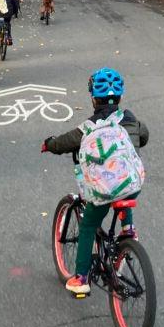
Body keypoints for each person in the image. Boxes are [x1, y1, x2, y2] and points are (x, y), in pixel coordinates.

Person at [42, 68, 149, 294]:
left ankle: (81, 278)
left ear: (93, 98)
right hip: (132, 184)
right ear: (120, 96)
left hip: (104, 191)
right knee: (124, 188)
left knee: (90, 222)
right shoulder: (130, 119)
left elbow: (65, 142)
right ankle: (128, 229)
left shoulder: (89, 127)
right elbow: (144, 135)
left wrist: (49, 145)